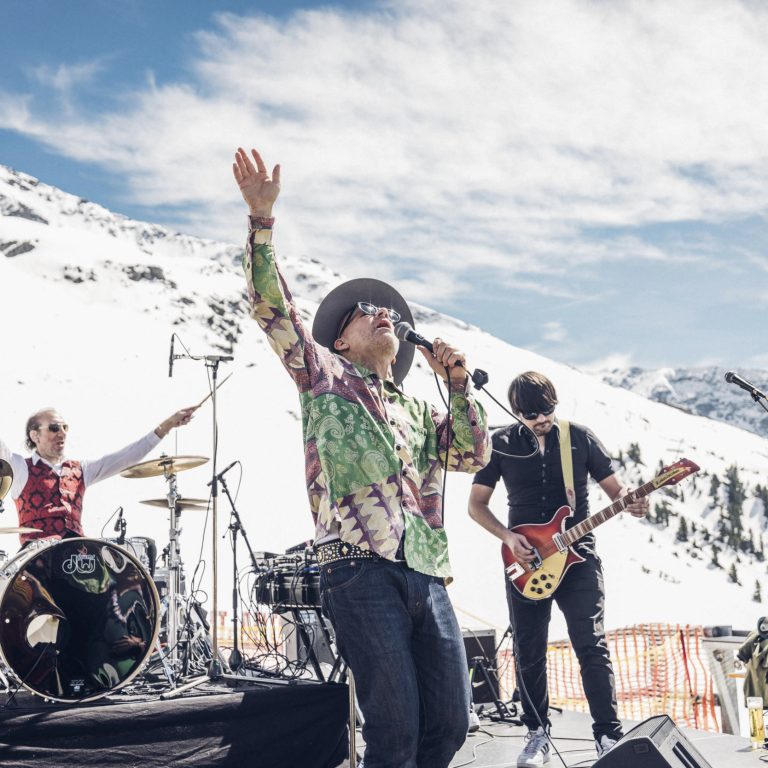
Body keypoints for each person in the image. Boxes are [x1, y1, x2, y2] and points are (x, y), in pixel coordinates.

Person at [233, 146, 491, 768]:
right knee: (395, 730)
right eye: (361, 314)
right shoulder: (325, 378)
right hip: (358, 570)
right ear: (340, 341)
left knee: (451, 724)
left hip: (426, 572)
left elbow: (472, 454)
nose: (380, 315)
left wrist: (457, 384)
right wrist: (261, 221)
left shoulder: (420, 410)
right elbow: (273, 309)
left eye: (386, 314)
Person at [468, 371, 648, 767]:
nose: (541, 419)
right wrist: (508, 537)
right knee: (529, 650)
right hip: (525, 561)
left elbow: (617, 492)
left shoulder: (579, 438)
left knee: (591, 643)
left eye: (546, 409)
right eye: (531, 413)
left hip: (579, 557)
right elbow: (476, 505)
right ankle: (536, 733)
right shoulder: (499, 443)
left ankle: (608, 735)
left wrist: (633, 502)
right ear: (516, 412)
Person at [0, 406, 195, 545]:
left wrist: (166, 426)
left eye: (64, 427)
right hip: (35, 561)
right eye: (53, 428)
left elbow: (126, 458)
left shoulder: (81, 469)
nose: (62, 433)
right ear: (35, 436)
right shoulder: (19, 467)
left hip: (78, 556)